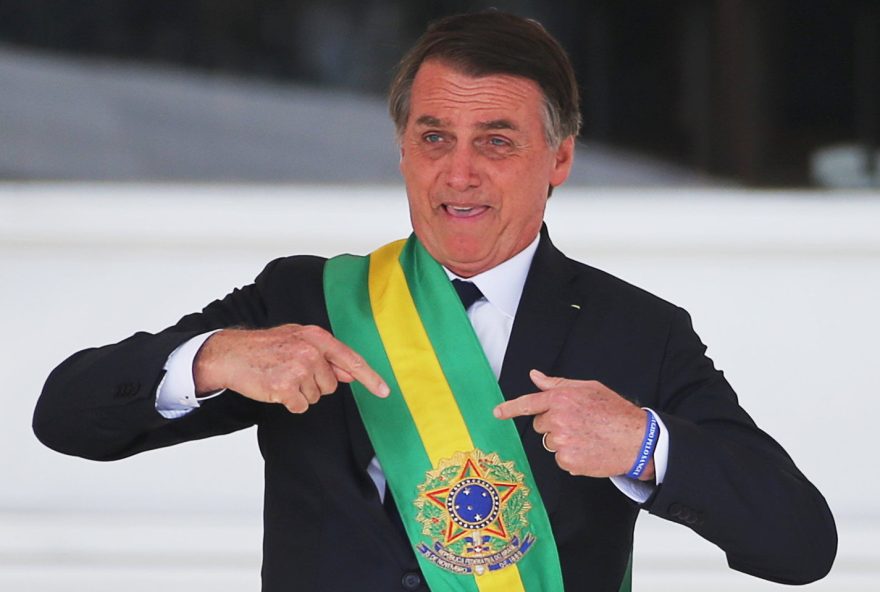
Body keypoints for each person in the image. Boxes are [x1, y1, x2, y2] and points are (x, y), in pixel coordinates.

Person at [33, 11, 836, 592]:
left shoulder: (639, 332)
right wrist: (213, 358)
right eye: (433, 138)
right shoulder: (308, 299)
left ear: (558, 158)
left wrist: (644, 445)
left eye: (495, 141)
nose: (458, 174)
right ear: (403, 147)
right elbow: (65, 417)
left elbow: (801, 544)